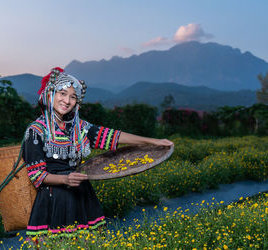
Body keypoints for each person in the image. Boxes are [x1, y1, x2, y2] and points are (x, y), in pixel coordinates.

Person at [22, 67, 173, 236]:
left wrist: (153, 141)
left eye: (73, 97)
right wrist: (65, 179)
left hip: (81, 196)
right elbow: (37, 175)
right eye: (62, 94)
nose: (67, 100)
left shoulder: (79, 128)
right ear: (50, 95)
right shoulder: (36, 131)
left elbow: (114, 136)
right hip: (53, 201)